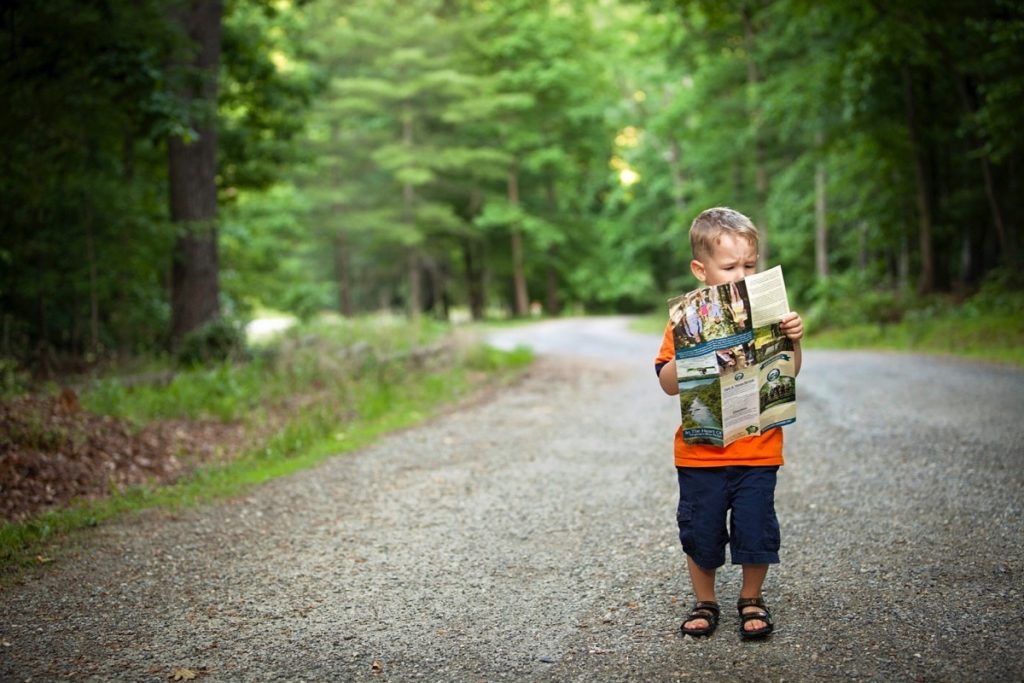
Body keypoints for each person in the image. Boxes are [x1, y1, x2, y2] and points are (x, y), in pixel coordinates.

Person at [654, 207, 804, 640]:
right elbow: (666, 384)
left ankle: (751, 597)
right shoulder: (684, 320)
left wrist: (795, 339)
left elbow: (788, 372)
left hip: (759, 448)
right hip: (701, 454)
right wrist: (692, 349)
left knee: (756, 527)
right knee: (701, 531)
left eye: (749, 265)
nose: (742, 274)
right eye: (730, 266)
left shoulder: (769, 312)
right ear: (701, 270)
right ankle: (705, 600)